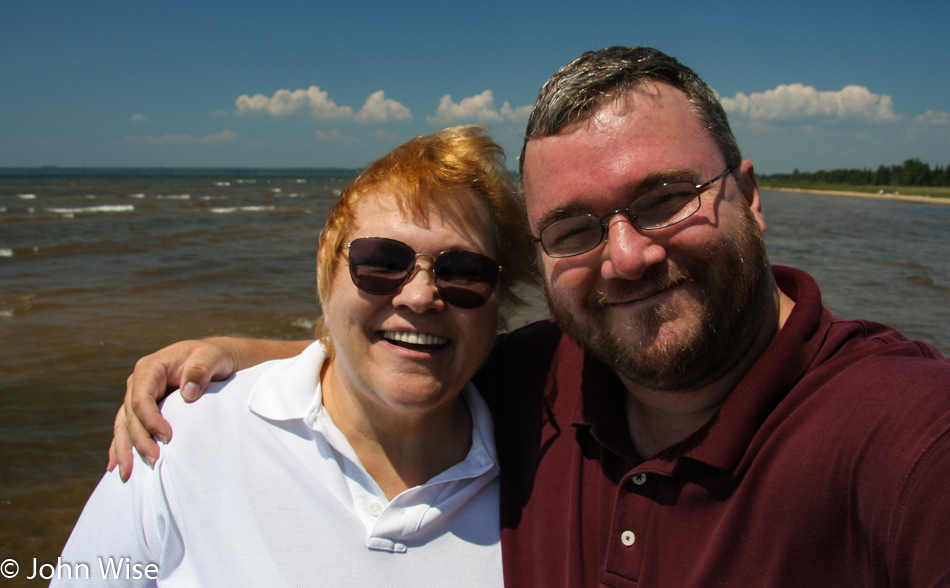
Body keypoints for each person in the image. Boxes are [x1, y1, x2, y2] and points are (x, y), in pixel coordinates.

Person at [112, 47, 950, 586]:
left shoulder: (899, 430)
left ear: (751, 197)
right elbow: (406, 347)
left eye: (665, 199)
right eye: (576, 229)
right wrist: (226, 357)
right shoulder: (545, 376)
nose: (626, 256)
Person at [57, 125, 537, 587]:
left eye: (463, 271)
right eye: (383, 262)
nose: (420, 296)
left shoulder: (543, 479)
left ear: (498, 304)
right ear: (326, 278)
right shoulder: (184, 437)